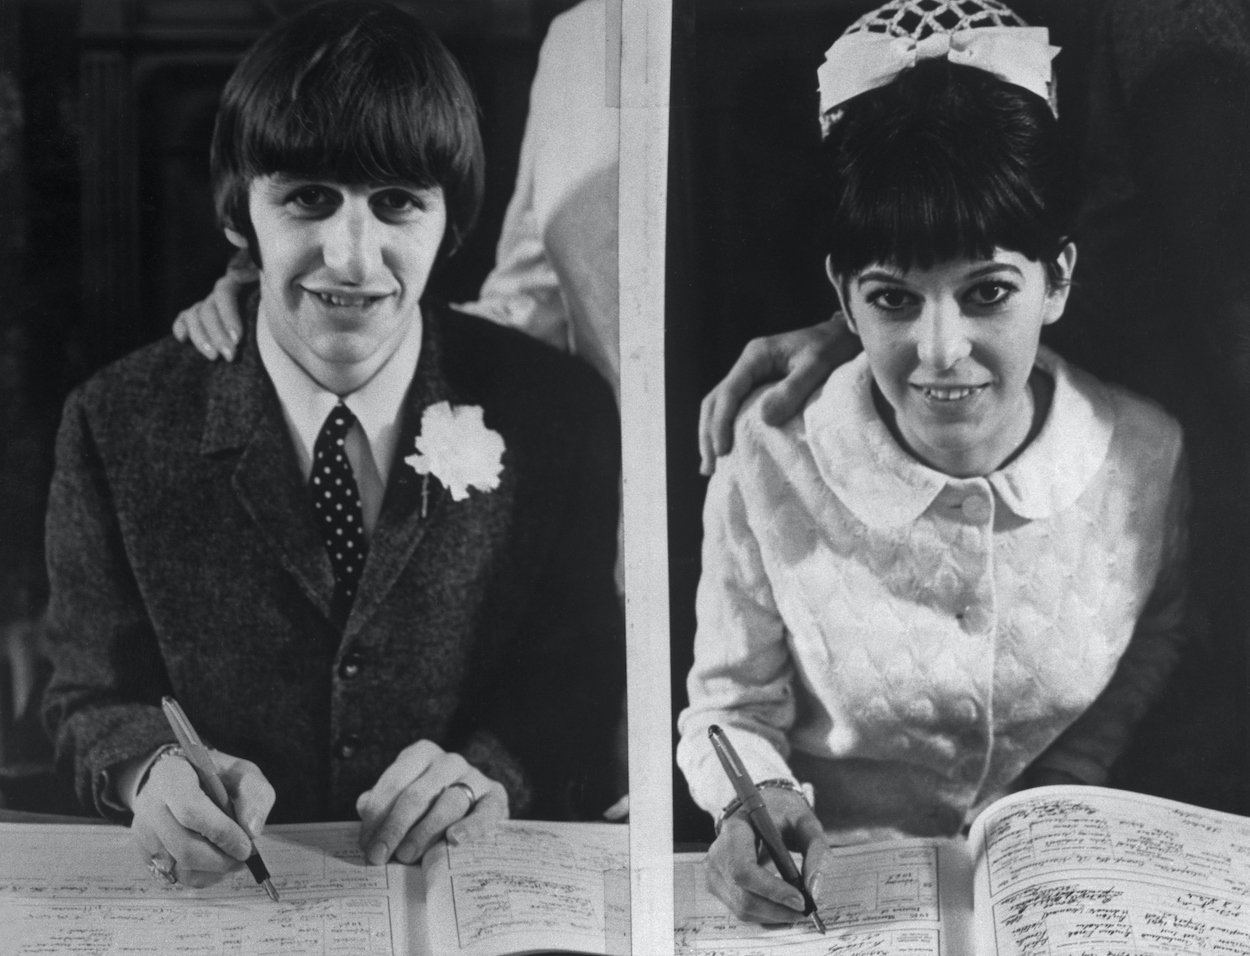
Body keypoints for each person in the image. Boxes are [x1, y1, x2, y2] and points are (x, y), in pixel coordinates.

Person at [41, 0, 623, 890]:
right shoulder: (116, 424)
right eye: (309, 199)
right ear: (241, 216)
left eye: (397, 204)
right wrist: (146, 769)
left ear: (449, 221)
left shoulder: (559, 414)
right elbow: (86, 697)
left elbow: (579, 679)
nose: (353, 258)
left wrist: (495, 772)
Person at [675, 0, 1190, 925]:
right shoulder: (768, 453)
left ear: (1059, 279)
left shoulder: (1147, 457)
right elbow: (727, 707)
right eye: (894, 298)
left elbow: (1158, 637)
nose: (941, 350)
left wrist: (1069, 780)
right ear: (843, 293)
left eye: (989, 292)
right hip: (834, 905)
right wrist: (759, 800)